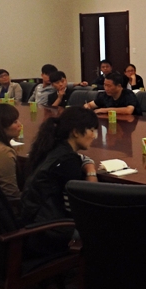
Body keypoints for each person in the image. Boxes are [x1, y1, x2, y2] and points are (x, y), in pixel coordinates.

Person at [21, 107, 99, 254]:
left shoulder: (51, 148)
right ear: (75, 132)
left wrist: (86, 161)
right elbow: (85, 205)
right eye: (92, 130)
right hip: (49, 232)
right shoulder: (68, 162)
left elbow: (78, 158)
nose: (94, 136)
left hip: (32, 224)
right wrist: (91, 171)